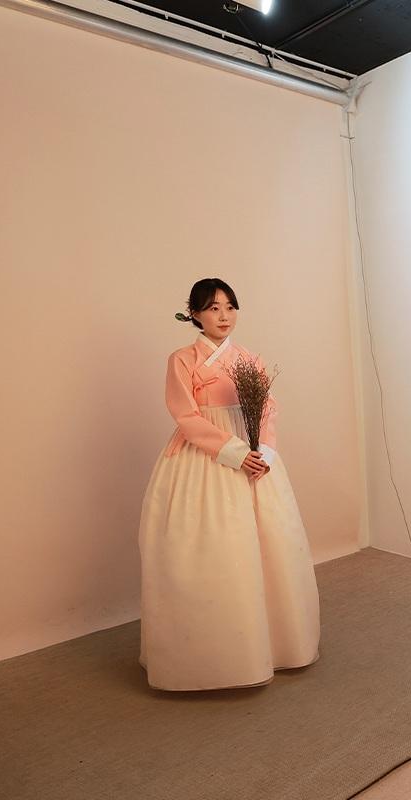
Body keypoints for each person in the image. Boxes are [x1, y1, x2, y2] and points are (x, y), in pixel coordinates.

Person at [138, 278, 320, 691]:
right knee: (213, 547)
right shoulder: (182, 359)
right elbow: (185, 416)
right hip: (207, 456)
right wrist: (235, 452)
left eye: (230, 307)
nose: (224, 316)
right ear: (195, 314)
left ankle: (274, 646)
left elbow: (268, 410)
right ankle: (214, 656)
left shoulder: (250, 359)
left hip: (255, 458)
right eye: (213, 308)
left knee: (269, 545)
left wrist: (263, 453)